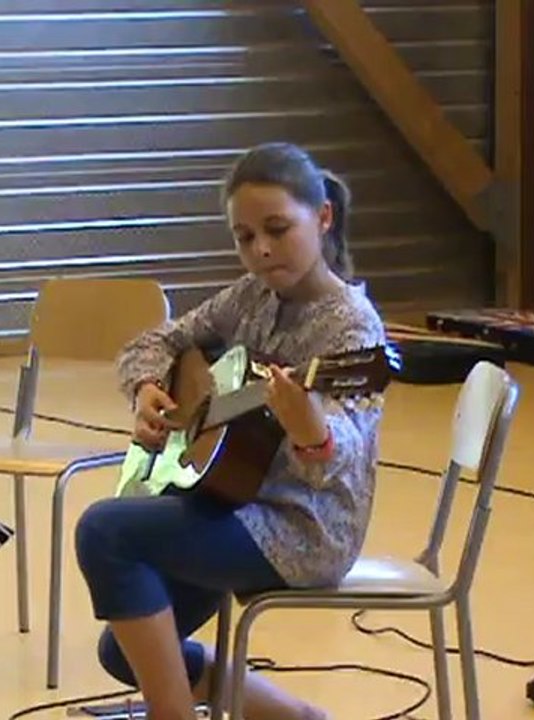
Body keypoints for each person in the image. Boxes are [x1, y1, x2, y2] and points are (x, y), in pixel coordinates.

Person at [74, 142, 387, 720]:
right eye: (245, 237)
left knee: (105, 531)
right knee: (125, 649)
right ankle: (301, 719)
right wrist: (147, 387)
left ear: (323, 217)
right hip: (231, 498)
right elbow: (156, 340)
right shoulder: (251, 298)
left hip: (304, 527)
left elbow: (337, 454)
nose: (261, 250)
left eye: (277, 229)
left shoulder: (354, 329)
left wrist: (311, 431)